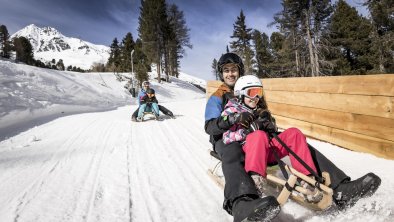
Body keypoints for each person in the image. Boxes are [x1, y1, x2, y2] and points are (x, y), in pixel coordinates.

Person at [204, 52, 381, 222]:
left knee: (293, 139)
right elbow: (210, 126)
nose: (230, 74)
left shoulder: (253, 90)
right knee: (232, 152)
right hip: (229, 139)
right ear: (221, 73)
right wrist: (233, 119)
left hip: (259, 137)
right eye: (226, 70)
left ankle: (340, 187)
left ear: (240, 70)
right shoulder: (219, 97)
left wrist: (268, 122)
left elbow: (267, 118)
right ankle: (242, 204)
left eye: (233, 69)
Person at [222, 75, 322, 203]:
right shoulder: (232, 110)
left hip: (268, 151)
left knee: (294, 133)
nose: (256, 98)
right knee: (258, 135)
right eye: (251, 93)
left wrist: (270, 126)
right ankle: (255, 181)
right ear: (240, 94)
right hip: (249, 153)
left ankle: (307, 179)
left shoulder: (259, 110)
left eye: (259, 93)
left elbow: (271, 130)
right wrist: (247, 132)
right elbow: (226, 138)